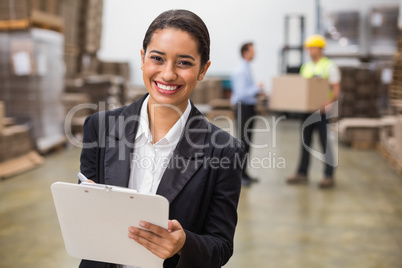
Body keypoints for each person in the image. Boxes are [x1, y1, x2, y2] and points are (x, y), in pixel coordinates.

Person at [79, 10, 244, 268]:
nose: (167, 74)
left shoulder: (223, 150)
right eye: (157, 58)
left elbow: (221, 246)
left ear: (203, 70)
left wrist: (184, 244)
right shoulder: (99, 128)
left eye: (184, 63)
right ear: (143, 58)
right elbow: (84, 223)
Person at [286, 34, 341, 189]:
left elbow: (336, 90)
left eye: (312, 47)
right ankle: (302, 173)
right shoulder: (306, 67)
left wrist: (327, 103)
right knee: (305, 143)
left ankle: (329, 175)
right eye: (308, 48)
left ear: (320, 48)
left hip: (323, 112)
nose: (309, 51)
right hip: (307, 112)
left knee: (325, 144)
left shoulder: (329, 66)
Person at [230, 42, 264, 187]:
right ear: (245, 52)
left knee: (247, 143)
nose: (254, 53)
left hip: (249, 107)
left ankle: (244, 173)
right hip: (242, 107)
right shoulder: (241, 71)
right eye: (252, 51)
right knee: (243, 144)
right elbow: (242, 93)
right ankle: (238, 177)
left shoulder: (247, 68)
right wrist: (257, 88)